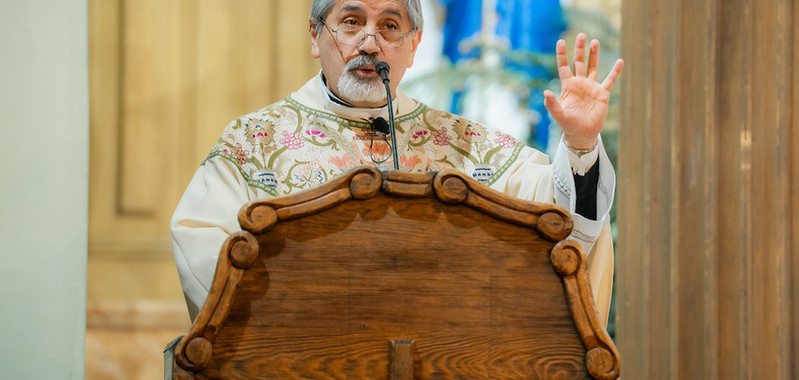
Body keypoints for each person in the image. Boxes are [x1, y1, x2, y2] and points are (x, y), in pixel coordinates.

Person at [170, 0, 624, 325]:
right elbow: (204, 246)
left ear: (413, 44)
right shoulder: (255, 143)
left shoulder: (465, 146)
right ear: (315, 35)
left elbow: (563, 226)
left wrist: (580, 143)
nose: (370, 42)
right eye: (350, 22)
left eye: (390, 25)